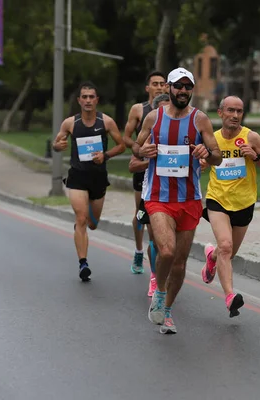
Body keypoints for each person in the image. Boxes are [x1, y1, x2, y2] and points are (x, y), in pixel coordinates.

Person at [132, 67, 222, 334]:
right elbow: (136, 148)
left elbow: (216, 156)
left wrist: (207, 151)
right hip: (159, 197)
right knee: (167, 251)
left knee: (180, 262)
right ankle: (159, 292)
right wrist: (143, 150)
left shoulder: (200, 120)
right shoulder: (153, 118)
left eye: (187, 87)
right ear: (169, 88)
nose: (183, 91)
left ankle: (167, 310)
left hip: (190, 199)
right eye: (178, 86)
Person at [200, 95, 260, 317]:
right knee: (226, 246)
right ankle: (230, 296)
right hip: (217, 200)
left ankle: (211, 258)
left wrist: (256, 156)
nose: (235, 115)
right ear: (220, 113)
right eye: (230, 110)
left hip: (244, 202)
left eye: (239, 111)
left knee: (227, 254)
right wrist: (202, 163)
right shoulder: (212, 139)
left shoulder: (251, 136)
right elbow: (201, 162)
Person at [52, 81, 126, 282]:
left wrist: (105, 156)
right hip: (77, 176)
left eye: (91, 97)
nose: (87, 100)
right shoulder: (70, 123)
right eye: (84, 97)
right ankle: (83, 263)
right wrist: (59, 145)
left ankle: (83, 227)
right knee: (81, 218)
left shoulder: (106, 122)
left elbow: (121, 146)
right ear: (79, 100)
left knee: (92, 223)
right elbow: (56, 144)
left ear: (97, 100)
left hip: (98, 178)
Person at [123, 71, 167, 275]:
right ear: (147, 88)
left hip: (165, 169)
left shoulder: (171, 109)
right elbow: (127, 138)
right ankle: (139, 250)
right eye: (155, 84)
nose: (159, 87)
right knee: (141, 214)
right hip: (143, 166)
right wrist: (140, 151)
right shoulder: (139, 109)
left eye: (162, 83)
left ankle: (155, 267)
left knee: (156, 220)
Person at [127, 93, 170, 297]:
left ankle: (164, 274)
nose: (166, 114)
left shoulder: (184, 135)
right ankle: (155, 277)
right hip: (153, 193)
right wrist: (150, 161)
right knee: (155, 238)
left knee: (172, 245)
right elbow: (132, 165)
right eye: (161, 110)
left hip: (179, 195)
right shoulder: (148, 138)